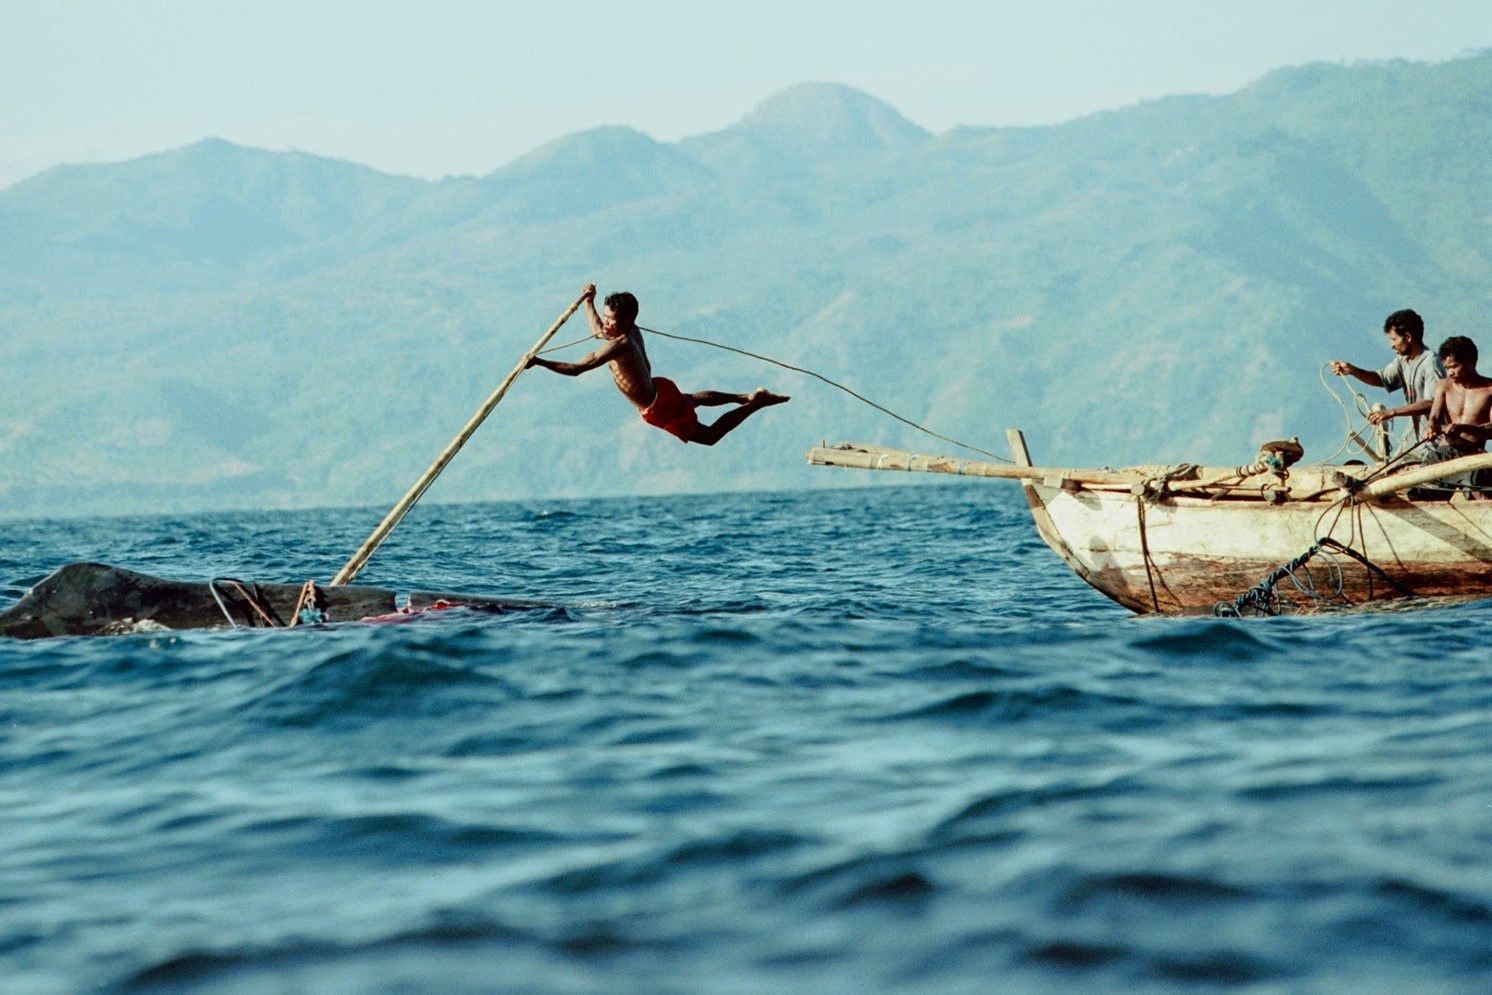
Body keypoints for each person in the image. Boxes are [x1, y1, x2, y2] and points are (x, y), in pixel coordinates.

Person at [526, 285, 789, 445]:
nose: (606, 323)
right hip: (657, 390)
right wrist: (589, 302)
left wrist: (538, 361)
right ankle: (744, 396)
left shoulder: (621, 344)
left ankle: (756, 403)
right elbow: (598, 330)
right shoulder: (628, 331)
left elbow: (578, 369)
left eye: (611, 319)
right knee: (691, 400)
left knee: (709, 436)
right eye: (605, 317)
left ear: (626, 321)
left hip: (657, 405)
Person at [1330, 308, 1443, 443]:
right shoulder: (1403, 360)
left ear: (1408, 337)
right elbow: (1382, 378)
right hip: (1412, 438)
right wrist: (1352, 370)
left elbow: (1432, 402)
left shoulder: (1431, 362)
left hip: (1432, 439)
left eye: (1394, 339)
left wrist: (1391, 412)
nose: (1392, 345)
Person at [1417, 336, 1492, 498]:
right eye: (1447, 368)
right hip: (1444, 452)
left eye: (1454, 366)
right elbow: (1434, 418)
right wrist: (1431, 426)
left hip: (1473, 455)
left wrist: (1463, 428)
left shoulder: (1489, 389)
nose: (1450, 372)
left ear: (1470, 362)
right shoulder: (1443, 386)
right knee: (1418, 492)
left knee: (1480, 495)